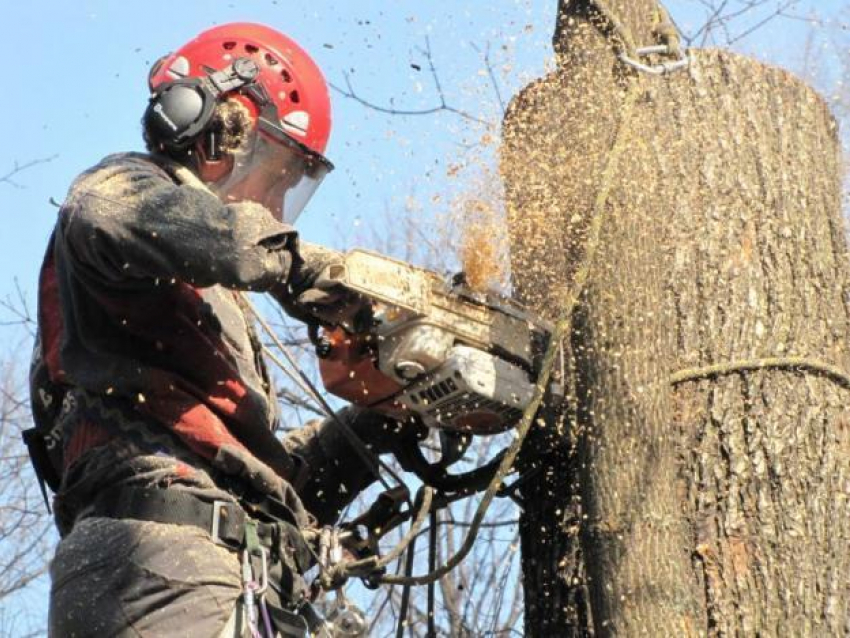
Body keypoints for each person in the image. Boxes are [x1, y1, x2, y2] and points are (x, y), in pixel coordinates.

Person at [26, 22, 414, 637]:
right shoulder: (122, 193)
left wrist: (386, 415)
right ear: (218, 127)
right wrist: (314, 274)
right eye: (277, 174)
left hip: (222, 566)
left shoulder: (203, 300)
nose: (275, 208)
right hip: (153, 564)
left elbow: (258, 476)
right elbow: (106, 213)